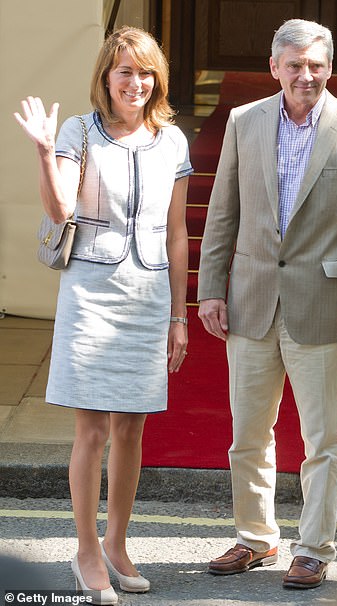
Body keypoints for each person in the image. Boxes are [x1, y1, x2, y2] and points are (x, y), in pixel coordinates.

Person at [198, 18, 337, 590]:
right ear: (274, 68)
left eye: (316, 65)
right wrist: (211, 287)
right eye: (295, 65)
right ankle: (256, 538)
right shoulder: (243, 121)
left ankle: (314, 547)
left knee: (322, 439)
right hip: (252, 298)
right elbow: (221, 211)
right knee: (247, 435)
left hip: (326, 305)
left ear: (329, 67)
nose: (305, 75)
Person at [14, 26, 192, 605]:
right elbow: (61, 206)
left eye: (145, 73)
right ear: (106, 76)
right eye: (124, 72)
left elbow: (179, 231)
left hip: (148, 295)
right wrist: (44, 151)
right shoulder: (78, 131)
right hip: (91, 292)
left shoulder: (172, 141)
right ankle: (86, 549)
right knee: (91, 431)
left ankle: (117, 544)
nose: (135, 83)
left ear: (156, 79)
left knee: (133, 427)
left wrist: (178, 314)